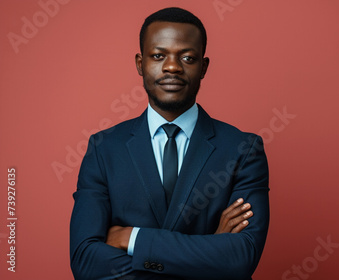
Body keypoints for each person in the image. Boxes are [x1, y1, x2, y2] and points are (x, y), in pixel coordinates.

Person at [69, 7, 269, 280]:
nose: (172, 67)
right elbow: (86, 262)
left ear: (204, 67)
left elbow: (239, 258)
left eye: (187, 57)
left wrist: (132, 238)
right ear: (140, 64)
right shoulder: (104, 149)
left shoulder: (243, 150)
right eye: (158, 56)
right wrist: (209, 256)